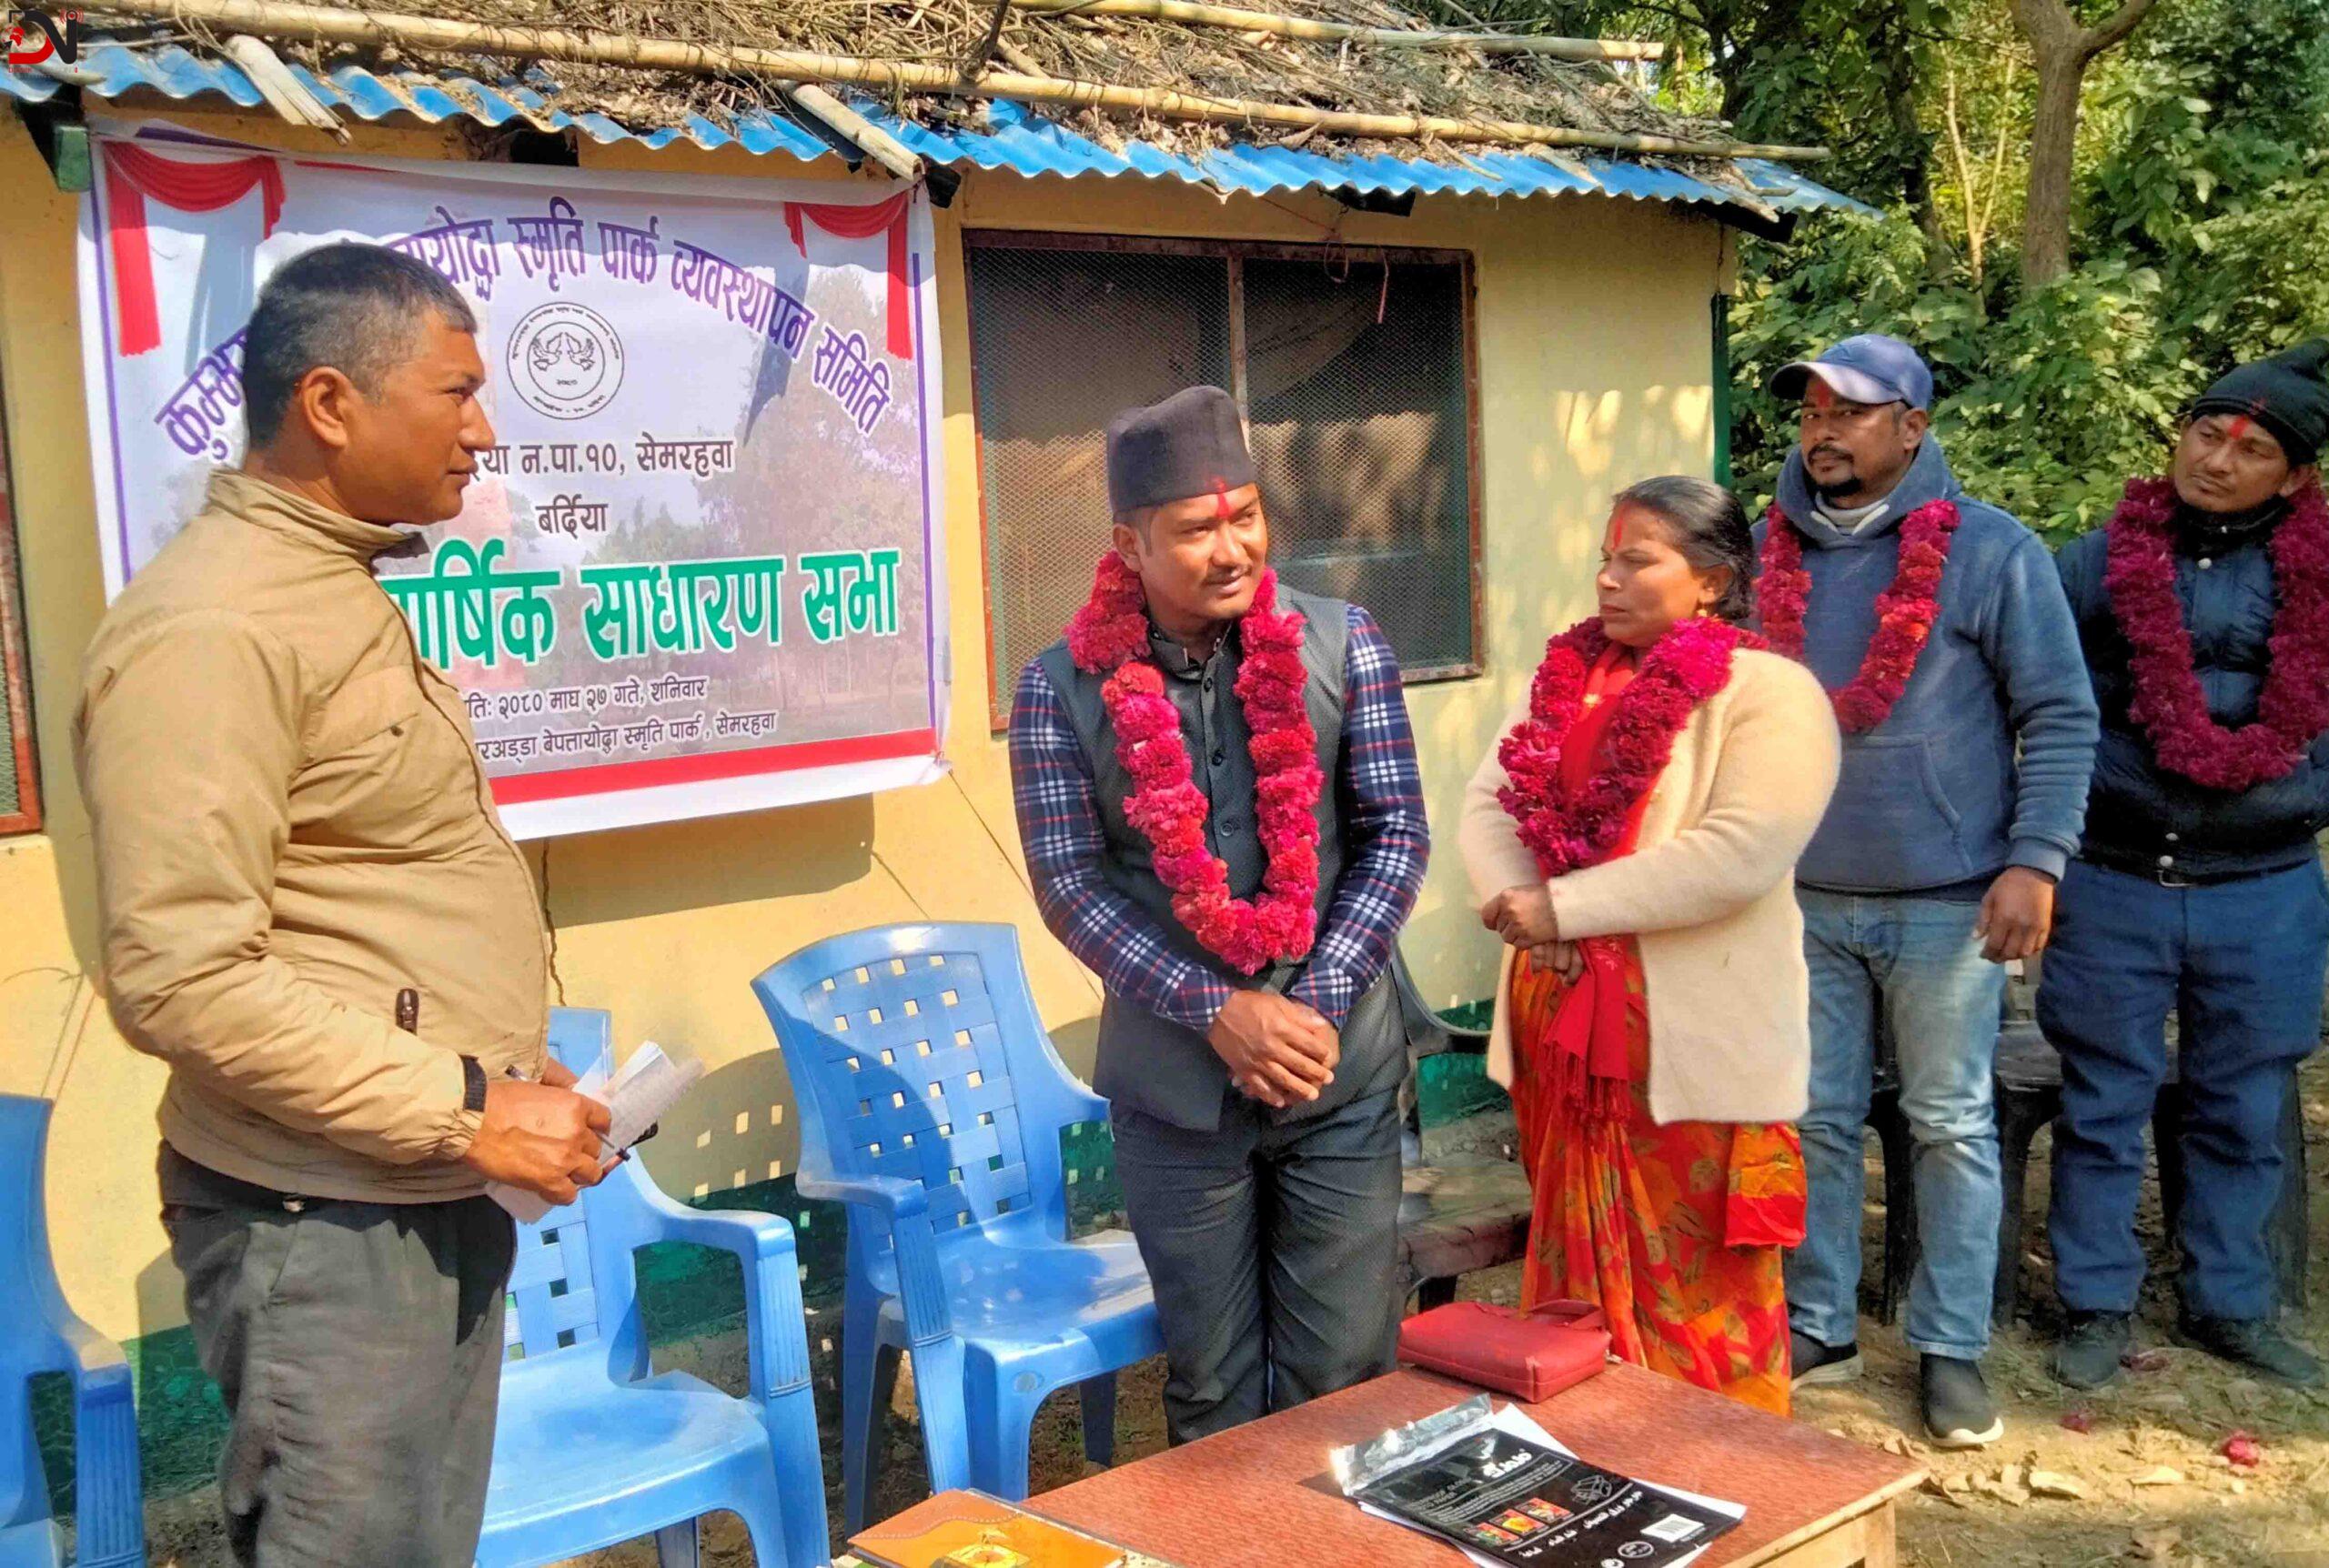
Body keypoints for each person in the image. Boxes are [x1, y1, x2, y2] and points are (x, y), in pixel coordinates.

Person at [74, 243, 613, 1566]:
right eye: (457, 392)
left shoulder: (327, 588)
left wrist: (494, 1070)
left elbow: (354, 894)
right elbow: (181, 975)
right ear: (329, 403)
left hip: (415, 1187)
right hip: (322, 1227)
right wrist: (464, 1106)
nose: (483, 432)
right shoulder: (216, 628)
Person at [1009, 385, 1430, 1442]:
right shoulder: (1057, 689)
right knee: (1211, 1383)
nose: (1232, 547)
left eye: (1245, 515)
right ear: (1130, 543)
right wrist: (1217, 1009)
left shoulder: (1344, 641)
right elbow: (1069, 886)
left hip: (1339, 1071)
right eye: (1198, 528)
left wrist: (1314, 1001)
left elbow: (1394, 833)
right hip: (1174, 1095)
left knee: (1346, 1374)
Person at [1759, 335, 2100, 1447]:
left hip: (1949, 901)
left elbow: (2058, 713)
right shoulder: (1762, 554)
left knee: (1949, 1122)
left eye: (1850, 411)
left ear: (1912, 426)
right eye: (1811, 411)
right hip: (1799, 897)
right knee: (1811, 1117)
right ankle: (1819, 1322)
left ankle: (1951, 1343)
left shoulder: (1991, 551)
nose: (1822, 430)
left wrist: (2034, 860)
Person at [1459, 476, 1840, 1414]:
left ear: (1713, 580)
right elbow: (1490, 803)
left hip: (1691, 1048)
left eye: (1637, 560)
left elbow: (1740, 853)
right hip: (1560, 1027)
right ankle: (1590, 1451)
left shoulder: (1771, 693)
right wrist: (1522, 908)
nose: (1607, 578)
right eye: (1605, 559)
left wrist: (1565, 910)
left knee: (1699, 1282)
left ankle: (1718, 1466)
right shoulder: (1567, 679)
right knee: (1572, 1287)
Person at [2044, 340, 2329, 1391]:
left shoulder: (2323, 574)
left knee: (2245, 1105)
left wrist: (2302, 793)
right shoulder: (2094, 560)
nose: (2216, 459)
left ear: (2294, 477)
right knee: (2101, 1099)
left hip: (2265, 887)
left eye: (2250, 449)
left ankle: (2230, 1305)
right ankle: (2093, 1302)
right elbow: (2034, 690)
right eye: (2206, 433)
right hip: (2111, 875)